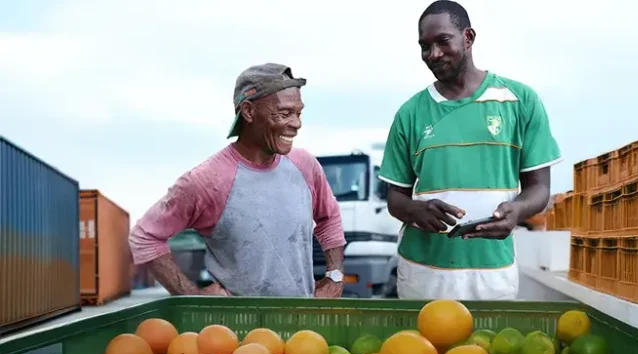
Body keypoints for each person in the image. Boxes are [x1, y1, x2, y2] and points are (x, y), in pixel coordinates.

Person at [378, 0, 562, 301]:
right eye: (425, 46)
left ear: (468, 37)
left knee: (489, 349)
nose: (433, 54)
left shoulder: (519, 101)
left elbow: (539, 189)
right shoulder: (409, 113)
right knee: (419, 350)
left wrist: (516, 211)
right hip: (423, 275)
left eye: (442, 41)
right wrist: (417, 210)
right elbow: (395, 199)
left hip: (492, 275)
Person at [129, 63, 347, 298]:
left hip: (301, 326)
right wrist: (192, 295)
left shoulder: (305, 165)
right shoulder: (207, 180)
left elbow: (329, 216)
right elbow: (144, 236)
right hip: (236, 331)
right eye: (284, 113)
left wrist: (335, 275)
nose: (296, 123)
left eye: (298, 113)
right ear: (249, 111)